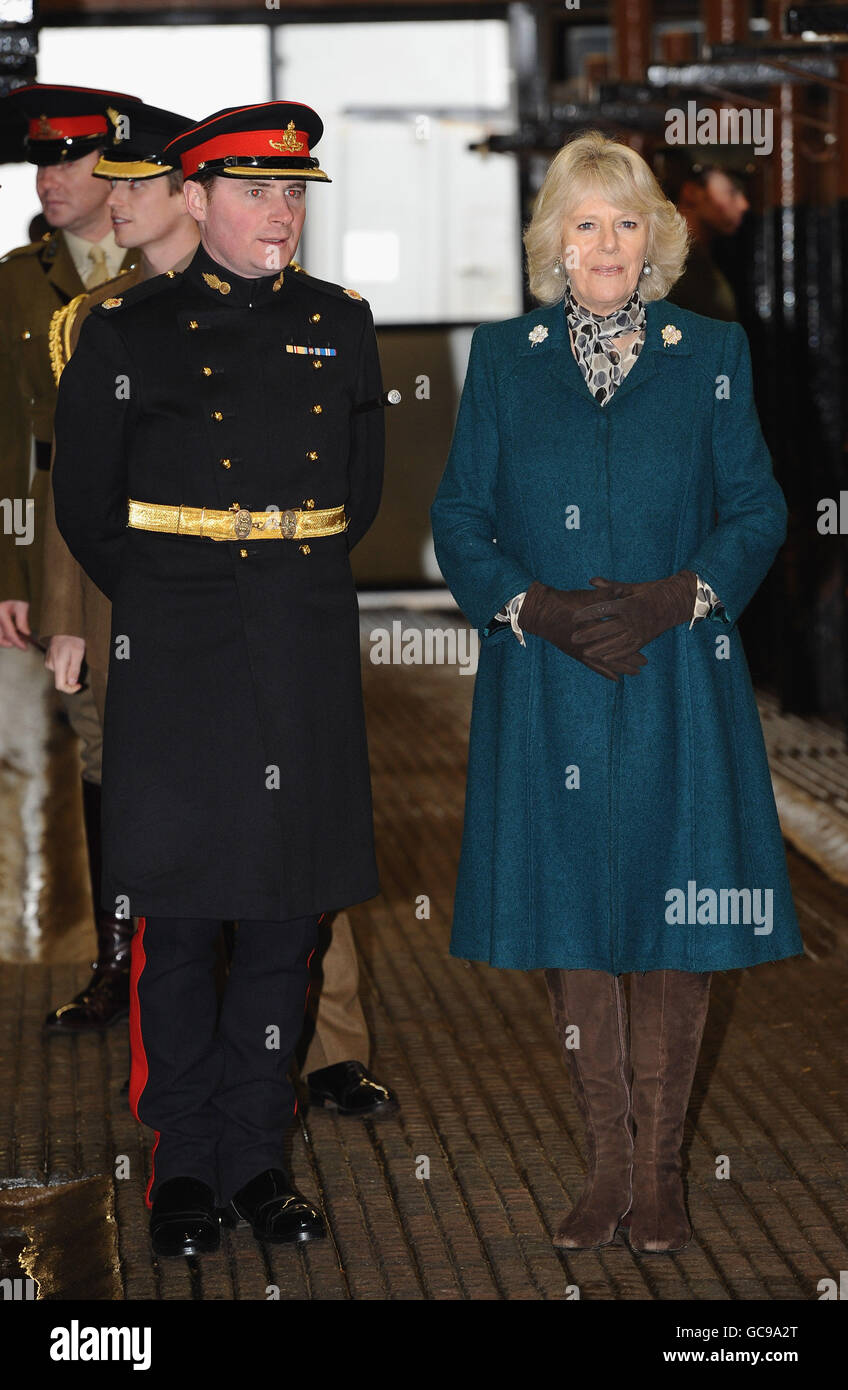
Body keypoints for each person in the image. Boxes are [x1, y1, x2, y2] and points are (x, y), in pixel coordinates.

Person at [430, 128, 803, 1255]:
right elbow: (455, 516)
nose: (604, 242)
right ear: (554, 239)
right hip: (546, 677)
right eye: (583, 222)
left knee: (678, 921)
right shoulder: (504, 357)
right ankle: (600, 1168)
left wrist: (676, 596)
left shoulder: (714, 350)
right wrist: (531, 607)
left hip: (675, 672)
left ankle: (659, 1177)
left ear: (655, 238)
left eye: (625, 221)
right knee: (573, 925)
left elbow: (759, 507)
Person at [52, 100, 385, 1257]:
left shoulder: (342, 324)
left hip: (297, 650)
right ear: (194, 201)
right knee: (183, 928)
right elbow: (86, 508)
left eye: (292, 193)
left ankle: (259, 1156)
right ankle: (182, 1165)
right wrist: (178, 598)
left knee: (287, 925)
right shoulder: (125, 331)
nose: (279, 213)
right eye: (255, 192)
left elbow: (358, 498)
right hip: (179, 657)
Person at [0, 83, 138, 1028]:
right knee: (95, 749)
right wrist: (11, 574)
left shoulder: (175, 254)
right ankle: (117, 956)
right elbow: (8, 441)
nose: (48, 177)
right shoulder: (14, 280)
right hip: (64, 555)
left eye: (67, 159)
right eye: (39, 161)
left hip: (167, 545)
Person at [664, 158, 749, 322]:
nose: (743, 205)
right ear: (692, 193)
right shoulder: (672, 262)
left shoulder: (699, 257)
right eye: (731, 192)